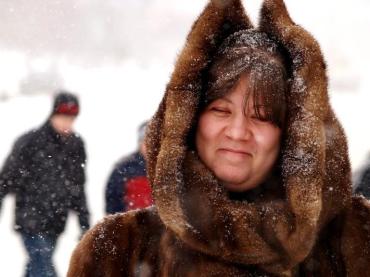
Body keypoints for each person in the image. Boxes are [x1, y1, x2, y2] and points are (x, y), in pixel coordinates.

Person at [67, 0, 370, 276]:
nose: (238, 132)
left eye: (261, 116)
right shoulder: (117, 251)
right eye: (220, 110)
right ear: (189, 120)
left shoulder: (356, 242)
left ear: (292, 134)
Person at [0, 91, 90, 277]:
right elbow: (5, 180)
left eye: (71, 118)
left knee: (37, 265)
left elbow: (78, 186)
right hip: (30, 219)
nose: (67, 123)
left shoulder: (76, 145)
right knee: (43, 263)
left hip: (56, 220)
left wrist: (84, 221)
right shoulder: (30, 142)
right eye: (63, 117)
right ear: (53, 114)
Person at [105, 121, 152, 214]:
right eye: (146, 142)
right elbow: (112, 200)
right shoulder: (124, 167)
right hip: (132, 224)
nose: (150, 146)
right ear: (140, 143)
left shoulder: (168, 169)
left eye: (154, 142)